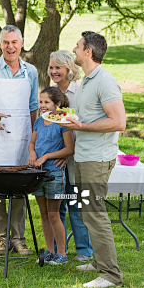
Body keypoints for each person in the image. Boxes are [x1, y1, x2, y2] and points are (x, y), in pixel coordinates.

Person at [61, 31, 125, 288]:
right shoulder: (88, 80)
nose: (74, 50)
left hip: (97, 159)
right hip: (85, 156)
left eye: (77, 46)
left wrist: (82, 127)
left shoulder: (104, 81)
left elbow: (118, 122)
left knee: (94, 214)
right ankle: (99, 262)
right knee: (87, 212)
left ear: (88, 52)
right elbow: (91, 115)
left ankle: (110, 275)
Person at [0, 25, 39, 255]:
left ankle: (18, 239)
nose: (10, 47)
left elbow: (34, 106)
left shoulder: (30, 71)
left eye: (14, 42)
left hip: (22, 138)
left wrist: (34, 137)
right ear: (0, 44)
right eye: (6, 42)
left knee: (20, 188)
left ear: (21, 43)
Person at [48, 50, 93, 262]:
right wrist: (61, 152)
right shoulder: (49, 94)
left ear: (70, 69)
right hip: (58, 157)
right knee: (59, 203)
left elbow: (82, 122)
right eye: (51, 67)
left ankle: (84, 250)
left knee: (76, 203)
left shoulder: (82, 90)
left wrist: (69, 152)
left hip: (77, 156)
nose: (54, 71)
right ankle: (60, 250)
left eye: (58, 67)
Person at [28, 87, 74, 264]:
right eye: (40, 102)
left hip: (54, 173)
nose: (42, 105)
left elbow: (70, 149)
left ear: (58, 104)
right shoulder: (39, 122)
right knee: (44, 214)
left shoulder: (63, 122)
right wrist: (32, 153)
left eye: (46, 102)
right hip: (38, 174)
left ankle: (61, 253)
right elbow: (32, 143)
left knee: (54, 214)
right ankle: (49, 250)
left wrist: (46, 156)